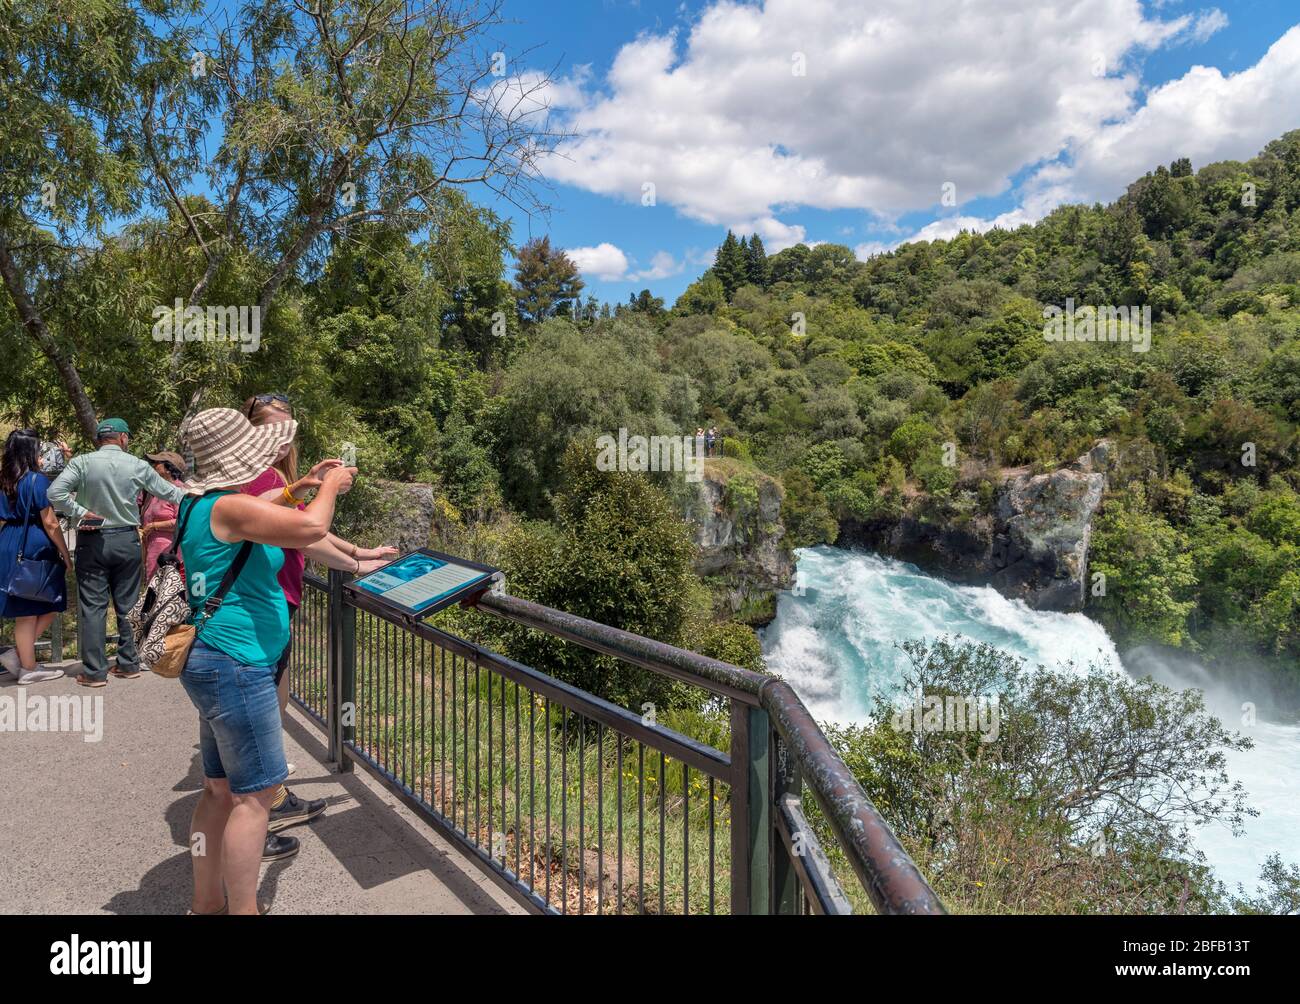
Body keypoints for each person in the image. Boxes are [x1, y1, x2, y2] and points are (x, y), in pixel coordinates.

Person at [175, 407, 356, 915]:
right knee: (254, 801)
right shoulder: (230, 509)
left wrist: (302, 484)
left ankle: (205, 904)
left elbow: (274, 505)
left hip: (210, 659)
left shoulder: (198, 502)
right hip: (238, 664)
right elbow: (308, 529)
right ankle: (244, 911)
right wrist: (330, 488)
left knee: (216, 791)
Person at [239, 393, 396, 844]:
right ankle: (261, 812)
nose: (281, 437)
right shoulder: (261, 478)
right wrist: (358, 564)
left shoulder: (263, 479)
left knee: (268, 707)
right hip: (260, 609)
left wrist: (359, 554)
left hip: (267, 605)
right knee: (264, 711)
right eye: (271, 426)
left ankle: (269, 796)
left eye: (287, 428)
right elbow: (306, 535)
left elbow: (306, 527)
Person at [48, 418, 190, 688]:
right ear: (123, 438)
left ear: (100, 439)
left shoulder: (82, 462)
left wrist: (80, 511)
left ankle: (94, 673)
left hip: (92, 538)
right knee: (127, 604)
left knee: (93, 607)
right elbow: (173, 494)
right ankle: (128, 664)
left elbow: (55, 492)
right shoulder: (136, 465)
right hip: (127, 538)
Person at [0, 430, 74, 684]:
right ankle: (28, 666)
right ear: (31, 451)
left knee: (26, 607)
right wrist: (65, 553)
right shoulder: (36, 480)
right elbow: (51, 522)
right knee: (47, 601)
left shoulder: (5, 480)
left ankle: (22, 658)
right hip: (33, 543)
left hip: (9, 542)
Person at [140, 451, 188, 583]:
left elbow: (183, 521)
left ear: (169, 468)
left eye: (157, 463)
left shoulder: (180, 491)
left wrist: (153, 526)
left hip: (171, 552)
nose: (153, 466)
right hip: (153, 551)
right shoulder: (154, 491)